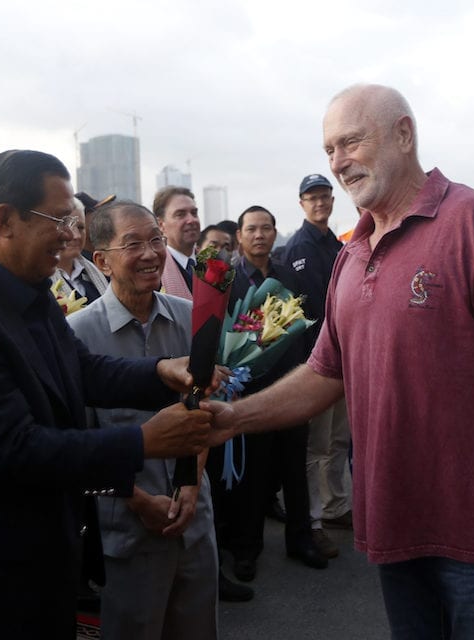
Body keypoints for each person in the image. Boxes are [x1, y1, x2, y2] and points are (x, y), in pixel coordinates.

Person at [204, 84, 474, 639]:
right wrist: (231, 418)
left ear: (404, 134)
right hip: (393, 528)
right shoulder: (352, 252)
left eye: (352, 142)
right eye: (329, 149)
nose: (337, 162)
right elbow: (324, 373)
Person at [0, 149, 229, 639]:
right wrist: (144, 442)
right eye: (60, 220)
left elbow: (81, 367)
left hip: (39, 550)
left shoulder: (24, 290)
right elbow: (15, 450)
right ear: (6, 220)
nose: (72, 234)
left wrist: (160, 371)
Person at [68, 201, 219, 639]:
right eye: (133, 244)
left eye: (156, 239)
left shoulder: (192, 317)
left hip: (195, 516)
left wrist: (191, 485)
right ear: (101, 260)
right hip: (127, 523)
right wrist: (138, 500)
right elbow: (81, 439)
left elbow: (206, 410)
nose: (151, 253)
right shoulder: (78, 335)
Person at [208, 205, 329, 583]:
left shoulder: (289, 275)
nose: (259, 235)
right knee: (253, 474)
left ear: (276, 233)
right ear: (239, 236)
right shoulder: (225, 280)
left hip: (292, 384)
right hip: (249, 390)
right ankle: (247, 547)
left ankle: (301, 537)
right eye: (251, 229)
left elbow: (307, 328)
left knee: (295, 466)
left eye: (266, 228)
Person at [281, 173, 350, 559]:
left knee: (339, 439)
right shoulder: (297, 247)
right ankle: (314, 520)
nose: (320, 203)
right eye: (312, 198)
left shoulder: (334, 245)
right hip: (316, 362)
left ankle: (336, 505)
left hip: (343, 357)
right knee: (317, 444)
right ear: (302, 203)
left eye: (325, 196)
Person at [51, 196, 108, 305]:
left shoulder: (102, 273)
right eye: (66, 226)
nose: (76, 236)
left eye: (81, 228)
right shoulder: (37, 280)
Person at [153, 186, 201, 299]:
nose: (191, 220)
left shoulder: (216, 265)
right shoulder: (154, 270)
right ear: (161, 224)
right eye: (180, 214)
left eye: (194, 213)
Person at [74, 190, 116, 263]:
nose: (104, 219)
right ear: (81, 217)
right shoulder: (74, 265)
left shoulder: (109, 257)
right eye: (97, 212)